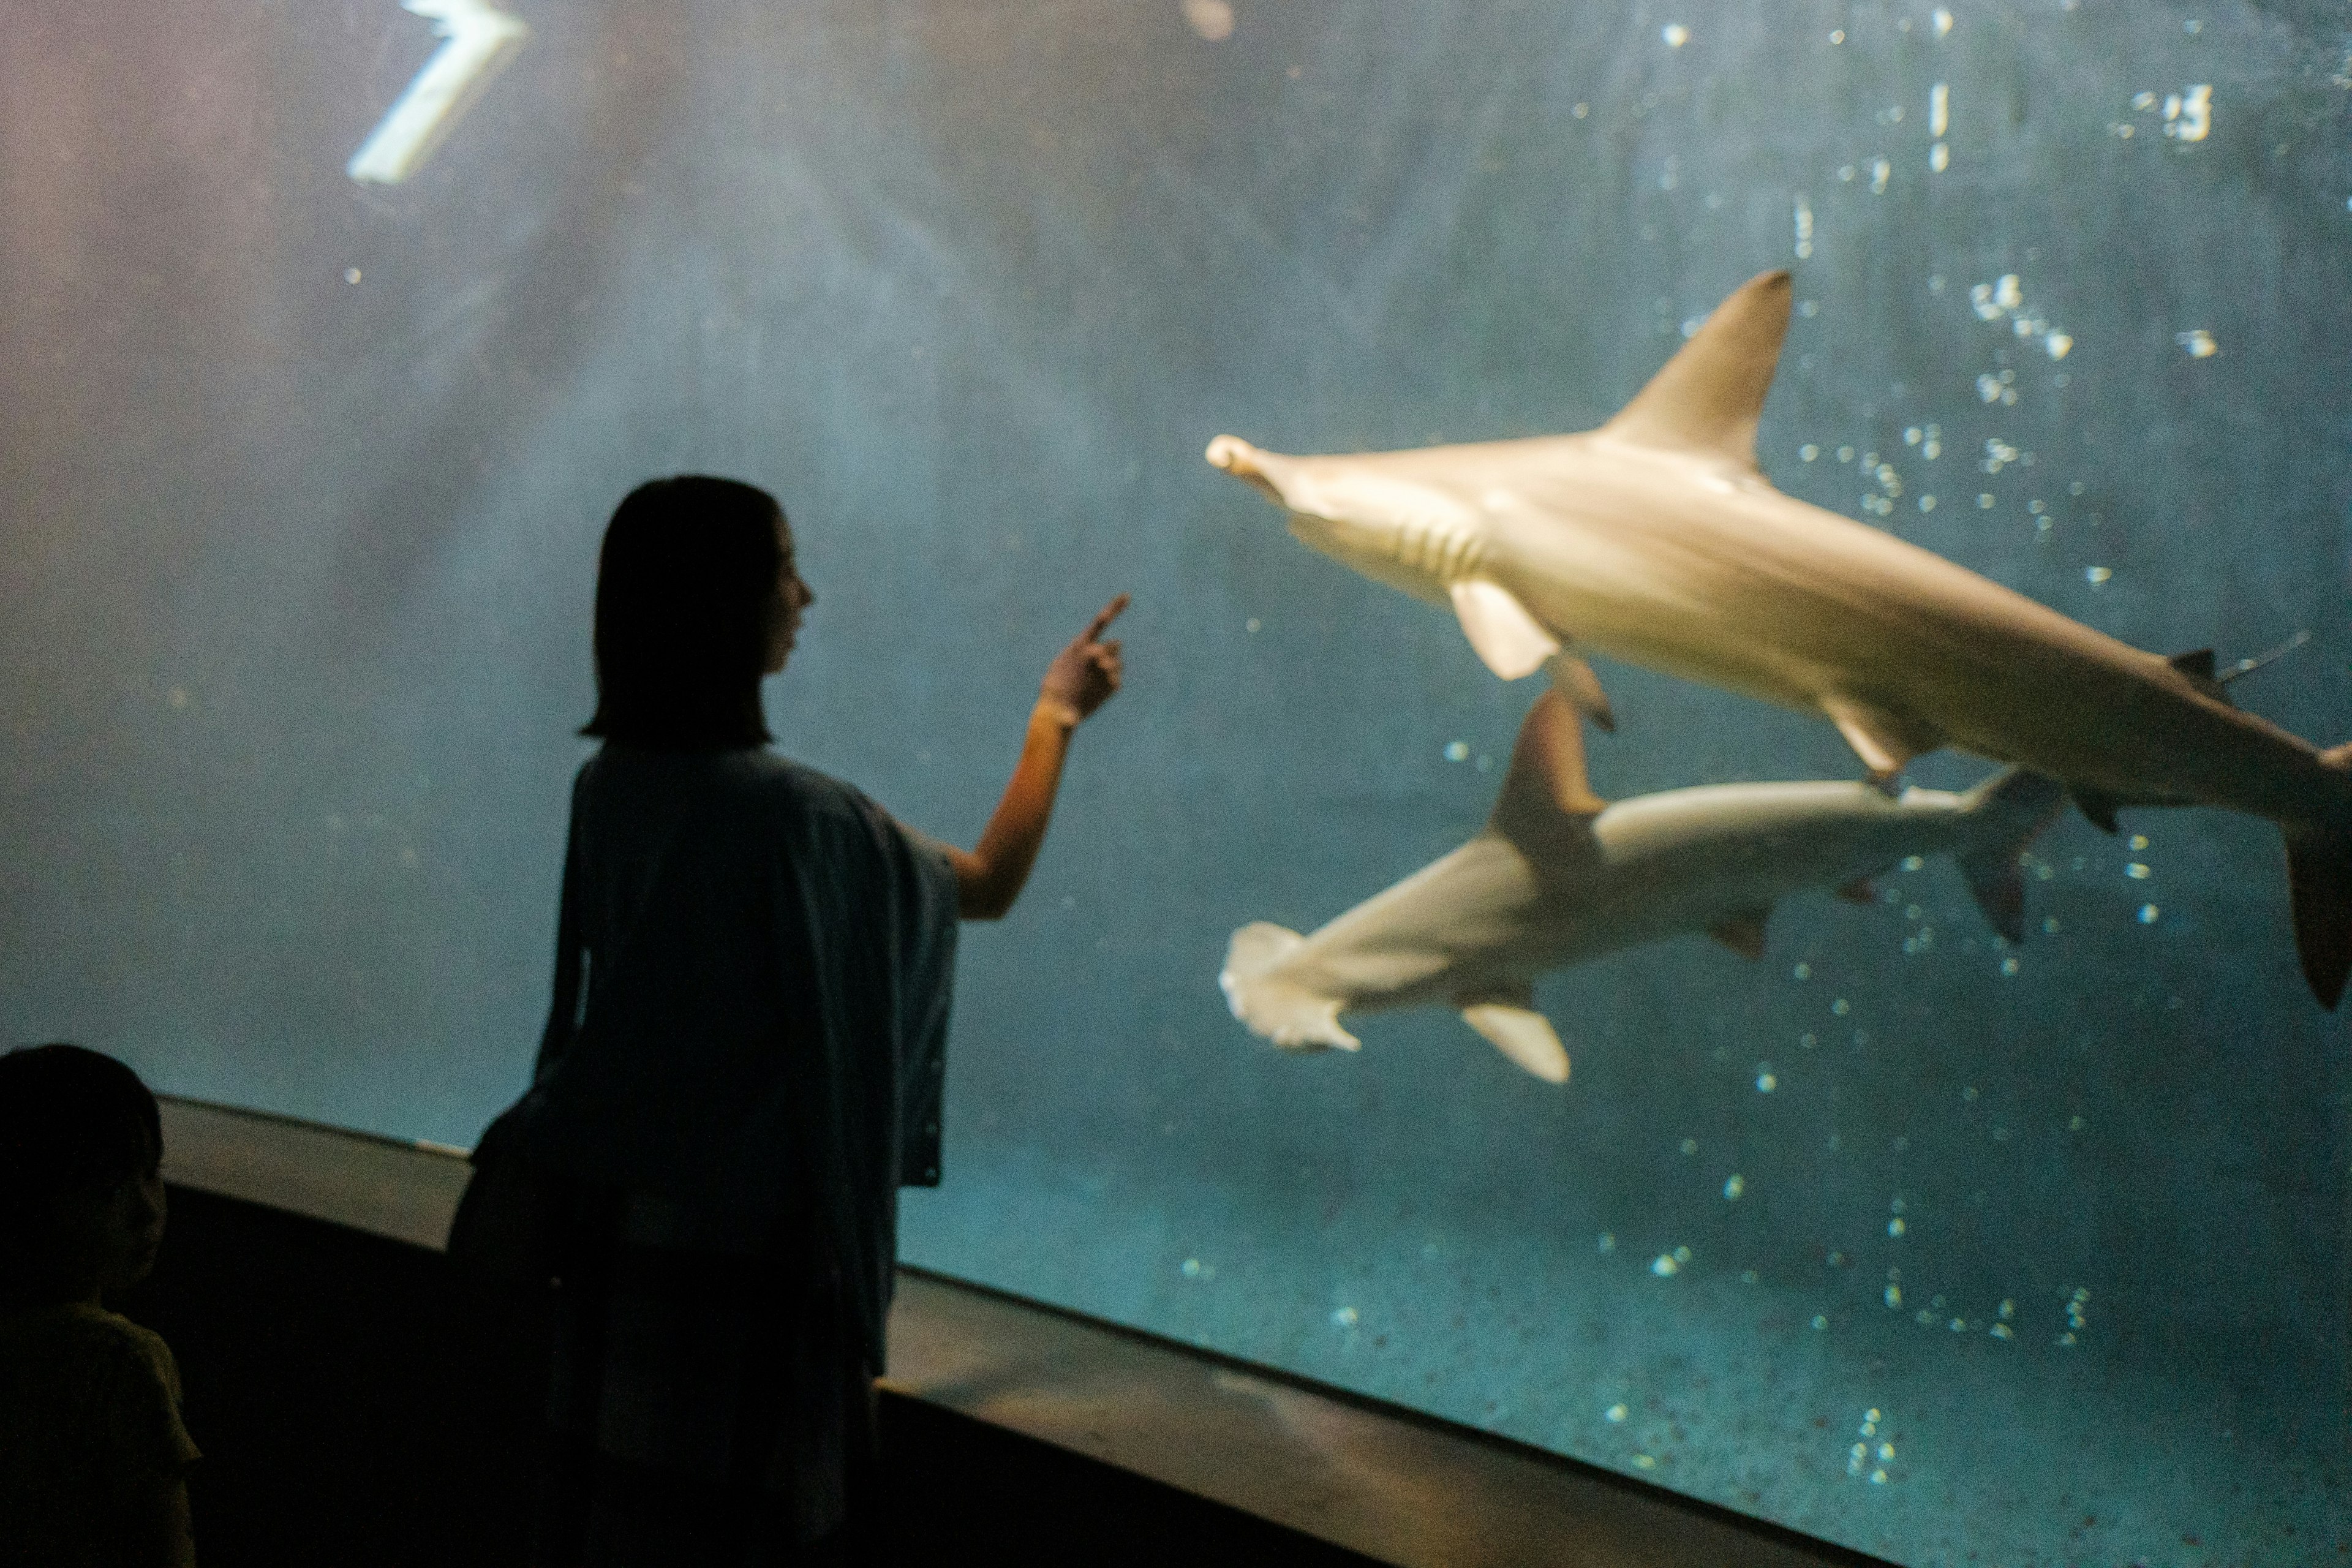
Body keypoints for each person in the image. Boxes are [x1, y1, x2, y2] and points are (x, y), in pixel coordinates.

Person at [473, 475, 1125, 1566]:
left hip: (612, 1253)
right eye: (785, 567)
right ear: (724, 600)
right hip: (742, 1282)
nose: (805, 594)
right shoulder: (801, 821)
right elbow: (991, 882)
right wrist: (1053, 718)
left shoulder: (610, 786)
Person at [0, 1044, 199, 1568]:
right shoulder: (122, 1360)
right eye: (112, 1189)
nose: (148, 1209)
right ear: (24, 1203)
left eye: (152, 1173)